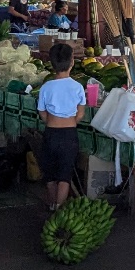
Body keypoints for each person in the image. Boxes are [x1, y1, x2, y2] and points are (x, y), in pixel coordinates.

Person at [36, 43, 86, 211]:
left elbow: (42, 112)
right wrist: (71, 121)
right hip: (69, 135)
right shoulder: (78, 87)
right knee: (65, 174)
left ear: (51, 63)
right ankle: (58, 208)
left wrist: (50, 120)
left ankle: (51, 204)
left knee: (50, 175)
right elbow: (80, 114)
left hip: (50, 134)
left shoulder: (46, 87)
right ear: (72, 62)